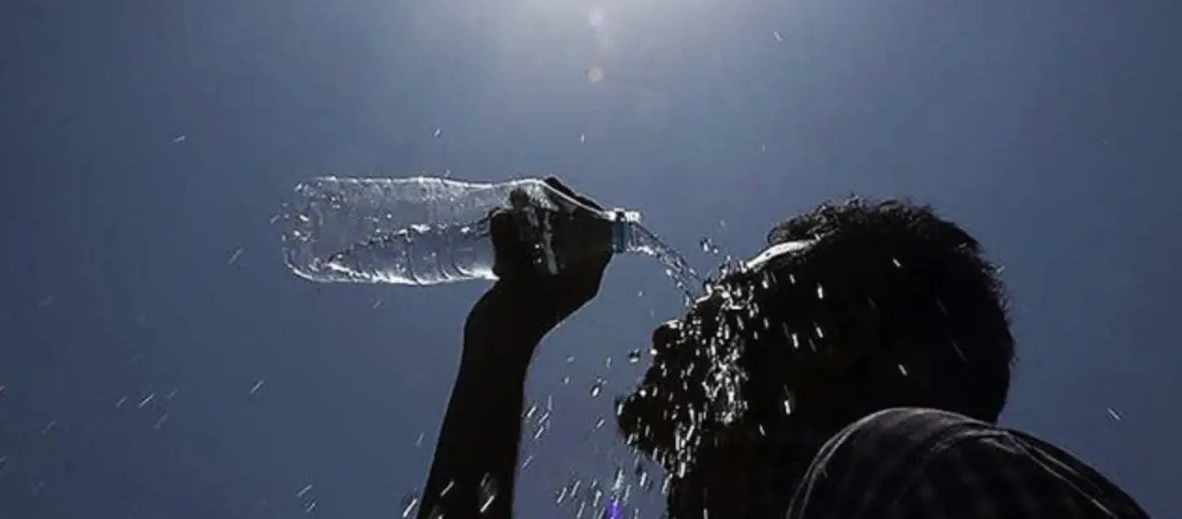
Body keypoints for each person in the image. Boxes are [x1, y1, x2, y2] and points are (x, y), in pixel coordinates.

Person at [415, 179, 1150, 518]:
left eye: (729, 298)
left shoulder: (906, 463)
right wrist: (502, 338)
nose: (670, 332)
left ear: (832, 336)